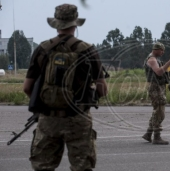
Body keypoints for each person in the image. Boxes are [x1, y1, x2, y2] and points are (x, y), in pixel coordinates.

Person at [23, 4, 108, 171]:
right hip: (78, 118)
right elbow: (102, 90)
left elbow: (27, 87)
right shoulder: (88, 50)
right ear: (75, 24)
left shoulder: (42, 49)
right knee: (82, 167)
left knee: (43, 166)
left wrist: (46, 104)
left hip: (48, 119)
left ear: (56, 24)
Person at [142, 42, 170, 145]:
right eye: (161, 50)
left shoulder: (154, 59)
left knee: (157, 110)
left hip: (157, 86)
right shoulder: (152, 60)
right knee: (160, 112)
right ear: (156, 49)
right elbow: (159, 72)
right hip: (155, 87)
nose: (163, 52)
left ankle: (148, 133)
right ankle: (156, 137)